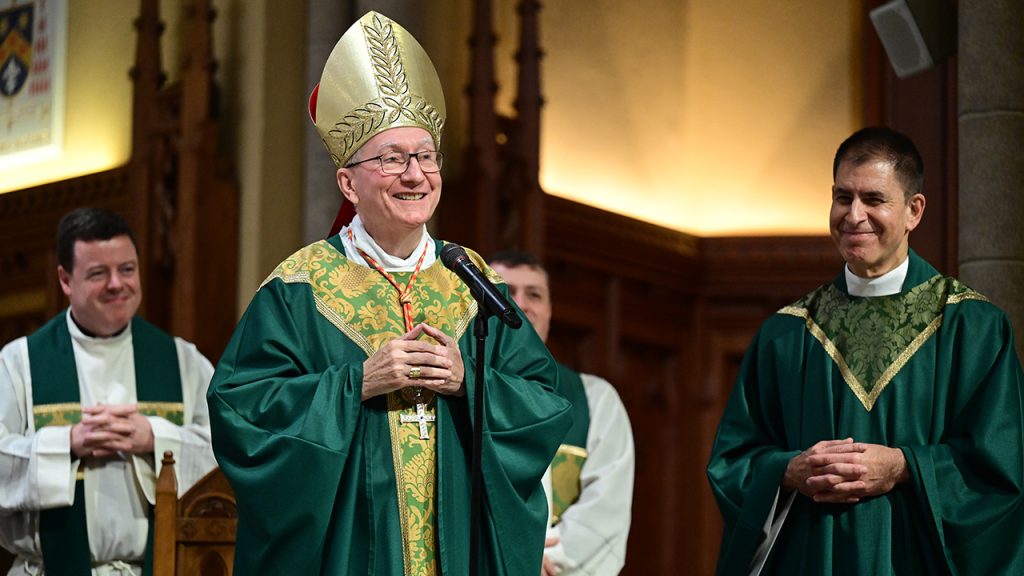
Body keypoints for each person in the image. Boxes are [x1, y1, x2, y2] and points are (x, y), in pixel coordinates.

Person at [206, 11, 572, 576]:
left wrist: (467, 382)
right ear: (348, 183)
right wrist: (356, 384)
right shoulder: (299, 288)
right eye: (392, 158)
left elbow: (544, 401)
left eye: (425, 156)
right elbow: (241, 412)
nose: (414, 175)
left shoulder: (471, 280)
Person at [707, 127, 1024, 575]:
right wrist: (789, 470)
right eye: (842, 197)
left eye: (874, 200)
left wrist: (903, 465)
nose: (853, 215)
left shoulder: (970, 327)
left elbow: (1001, 469)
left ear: (914, 211)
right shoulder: (788, 333)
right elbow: (733, 461)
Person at [0, 207, 217, 576]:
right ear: (65, 280)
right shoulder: (19, 362)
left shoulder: (183, 361)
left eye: (127, 269)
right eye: (98, 273)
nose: (117, 284)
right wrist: (66, 443)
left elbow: (226, 455)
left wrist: (155, 437)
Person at [489, 251, 635, 576]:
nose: (521, 304)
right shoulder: (458, 387)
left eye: (534, 294)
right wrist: (511, 554)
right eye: (505, 292)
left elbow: (605, 509)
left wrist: (541, 560)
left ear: (550, 311)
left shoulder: (596, 400)